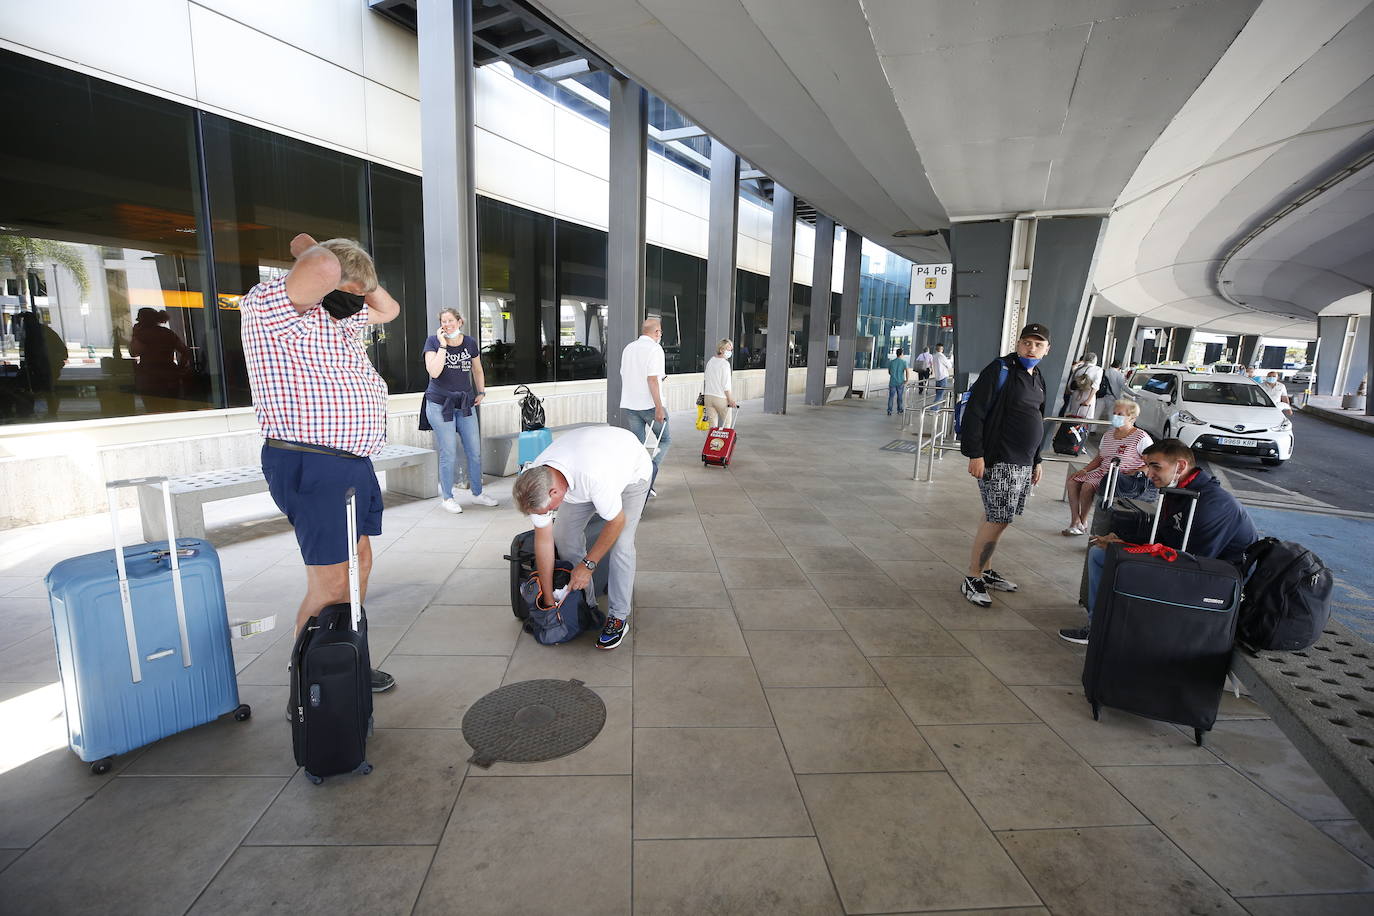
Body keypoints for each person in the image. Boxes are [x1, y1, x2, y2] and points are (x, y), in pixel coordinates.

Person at [239, 232, 400, 693]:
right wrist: (309, 247)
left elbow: (389, 308)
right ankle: (310, 686)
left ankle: (343, 655)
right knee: (330, 582)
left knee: (360, 563)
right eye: (351, 292)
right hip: (314, 462)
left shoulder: (340, 319)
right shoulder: (274, 311)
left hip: (353, 462)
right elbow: (325, 268)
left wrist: (360, 282)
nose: (360, 302)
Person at [1059, 438, 1258, 645]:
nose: (1147, 473)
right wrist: (1121, 540)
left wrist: (1130, 550)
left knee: (1123, 565)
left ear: (1180, 466)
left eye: (1155, 466)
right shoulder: (1177, 492)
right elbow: (1162, 535)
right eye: (1147, 465)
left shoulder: (1214, 504)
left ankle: (1116, 630)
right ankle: (1099, 626)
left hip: (1218, 577)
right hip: (1188, 560)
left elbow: (1194, 562)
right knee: (1100, 554)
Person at [512, 426, 652, 650]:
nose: (546, 515)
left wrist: (588, 565)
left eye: (547, 510)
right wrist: (548, 600)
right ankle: (585, 604)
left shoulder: (594, 477)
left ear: (554, 493)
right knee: (563, 535)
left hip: (631, 472)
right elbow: (544, 541)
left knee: (622, 544)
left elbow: (616, 522)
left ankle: (618, 617)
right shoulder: (538, 478)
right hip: (584, 469)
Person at [958, 323, 1052, 607]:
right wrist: (976, 453)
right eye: (1026, 342)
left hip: (1023, 462)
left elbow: (1038, 417)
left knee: (997, 517)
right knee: (998, 518)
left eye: (1037, 344)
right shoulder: (1000, 370)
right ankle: (973, 577)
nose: (1031, 348)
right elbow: (975, 412)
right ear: (1018, 343)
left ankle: (985, 571)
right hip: (1000, 458)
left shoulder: (1038, 377)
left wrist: (1037, 460)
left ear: (1047, 350)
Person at [420, 308, 498, 513]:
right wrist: (443, 346)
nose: (447, 324)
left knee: (474, 451)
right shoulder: (433, 342)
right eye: (443, 321)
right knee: (449, 452)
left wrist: (481, 391)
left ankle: (478, 494)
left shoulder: (470, 343)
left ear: (459, 321)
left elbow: (477, 369)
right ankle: (447, 498)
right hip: (439, 404)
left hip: (465, 404)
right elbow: (434, 372)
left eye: (451, 320)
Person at [1063, 399, 1152, 535]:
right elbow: (1100, 458)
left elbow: (1151, 463)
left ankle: (1082, 521)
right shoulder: (1108, 435)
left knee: (1088, 485)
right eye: (1114, 413)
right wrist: (1084, 470)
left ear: (1132, 417)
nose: (1115, 416)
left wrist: (1136, 472)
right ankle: (1076, 520)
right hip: (1103, 472)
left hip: (1121, 477)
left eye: (1120, 414)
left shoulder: (1140, 437)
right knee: (1072, 481)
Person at [620, 317, 670, 495]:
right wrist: (659, 407)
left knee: (637, 445)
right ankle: (649, 475)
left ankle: (634, 483)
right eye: (660, 332)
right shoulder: (655, 349)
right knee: (665, 440)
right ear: (657, 332)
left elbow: (625, 374)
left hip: (631, 404)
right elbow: (652, 380)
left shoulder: (629, 348)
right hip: (649, 405)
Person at [128, 307, 191, 413]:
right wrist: (180, 369)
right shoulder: (168, 333)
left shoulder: (142, 335)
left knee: (153, 411)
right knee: (171, 410)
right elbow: (185, 351)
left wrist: (135, 335)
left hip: (149, 378)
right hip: (169, 377)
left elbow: (134, 352)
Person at [702, 338, 738, 428]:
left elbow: (706, 378)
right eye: (728, 349)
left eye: (731, 350)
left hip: (708, 397)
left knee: (712, 426)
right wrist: (730, 400)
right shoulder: (725, 364)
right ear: (721, 349)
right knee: (727, 424)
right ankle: (723, 442)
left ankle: (713, 442)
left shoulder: (710, 361)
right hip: (720, 398)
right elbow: (726, 385)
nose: (730, 352)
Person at [1067, 352, 1102, 420]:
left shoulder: (1078, 369)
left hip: (1076, 396)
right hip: (1088, 396)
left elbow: (1070, 385)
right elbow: (1095, 387)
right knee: (1085, 419)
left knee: (1074, 417)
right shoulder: (1098, 370)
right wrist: (1088, 400)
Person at [887, 348, 911, 416]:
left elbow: (889, 372)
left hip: (892, 382)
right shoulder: (904, 362)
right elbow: (907, 371)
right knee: (899, 396)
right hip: (900, 382)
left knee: (891, 397)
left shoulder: (892, 362)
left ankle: (889, 410)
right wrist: (907, 380)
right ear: (902, 354)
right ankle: (899, 409)